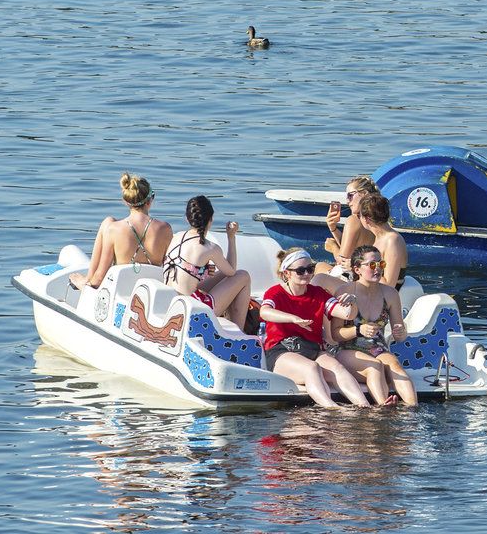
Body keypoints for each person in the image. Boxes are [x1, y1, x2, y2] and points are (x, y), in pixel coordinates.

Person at [260, 248, 372, 408]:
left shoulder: (318, 293)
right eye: (300, 270)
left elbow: (347, 315)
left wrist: (352, 302)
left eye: (310, 269)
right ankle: (332, 408)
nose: (307, 273)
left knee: (337, 367)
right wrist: (292, 318)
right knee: (312, 368)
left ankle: (364, 407)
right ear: (287, 273)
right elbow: (265, 312)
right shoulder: (275, 293)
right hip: (281, 351)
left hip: (311, 349)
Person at [332, 245, 418, 406]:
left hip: (377, 348)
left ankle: (413, 410)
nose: (378, 268)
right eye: (372, 265)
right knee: (375, 367)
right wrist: (358, 330)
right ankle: (383, 407)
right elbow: (336, 334)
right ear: (357, 269)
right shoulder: (344, 292)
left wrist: (401, 333)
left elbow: (399, 331)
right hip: (348, 350)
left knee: (394, 365)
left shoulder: (390, 294)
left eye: (381, 264)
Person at [70, 172, 173, 290]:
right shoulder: (165, 228)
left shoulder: (114, 229)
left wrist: (80, 284)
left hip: (121, 290)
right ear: (149, 201)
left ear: (126, 202)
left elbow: (99, 279)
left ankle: (87, 278)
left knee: (107, 221)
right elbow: (169, 269)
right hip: (150, 292)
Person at [163, 195, 252, 328]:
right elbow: (232, 271)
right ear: (211, 219)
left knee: (222, 274)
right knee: (243, 276)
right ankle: (238, 331)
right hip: (194, 310)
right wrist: (231, 237)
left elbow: (185, 271)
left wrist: (203, 270)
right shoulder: (209, 247)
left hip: (172, 301)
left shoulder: (177, 236)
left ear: (187, 218)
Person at [316, 175, 379, 276]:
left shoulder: (353, 220)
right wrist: (333, 228)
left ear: (364, 194)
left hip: (354, 277)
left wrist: (333, 247)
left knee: (319, 266)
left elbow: (342, 262)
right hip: (370, 273)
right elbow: (352, 250)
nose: (347, 200)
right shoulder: (378, 219)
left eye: (350, 195)